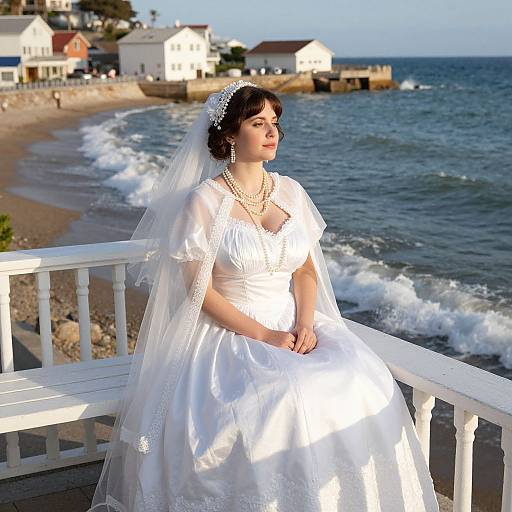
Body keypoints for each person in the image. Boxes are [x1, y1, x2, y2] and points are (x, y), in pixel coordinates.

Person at [87, 80, 440, 511]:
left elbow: (306, 270)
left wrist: (306, 323)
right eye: (259, 123)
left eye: (275, 122)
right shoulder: (203, 201)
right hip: (230, 328)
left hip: (295, 321)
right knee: (286, 396)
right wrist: (264, 335)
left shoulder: (291, 192)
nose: (273, 132)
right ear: (230, 135)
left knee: (361, 379)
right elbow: (198, 290)